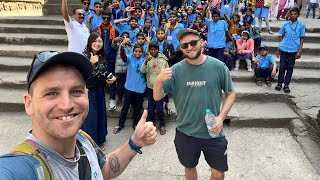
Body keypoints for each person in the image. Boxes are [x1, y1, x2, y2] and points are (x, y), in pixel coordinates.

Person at [0, 51, 157, 179]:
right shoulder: (25, 168)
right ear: (29, 104)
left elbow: (105, 169)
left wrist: (135, 142)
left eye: (76, 91)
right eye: (52, 93)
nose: (67, 105)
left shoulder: (82, 139)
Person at [153, 29, 236, 180]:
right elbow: (157, 96)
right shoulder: (175, 70)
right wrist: (159, 80)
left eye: (193, 43)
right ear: (180, 49)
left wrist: (221, 117)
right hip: (186, 132)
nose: (189, 47)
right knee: (189, 167)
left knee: (218, 174)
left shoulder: (218, 66)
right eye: (185, 45)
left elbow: (231, 93)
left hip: (213, 131)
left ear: (201, 42)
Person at [81, 32, 116, 147]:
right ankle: (91, 144)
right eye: (94, 41)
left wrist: (109, 80)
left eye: (100, 41)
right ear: (90, 42)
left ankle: (99, 140)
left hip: (99, 91)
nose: (97, 44)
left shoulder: (102, 57)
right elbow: (84, 77)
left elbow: (102, 74)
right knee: (91, 118)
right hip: (89, 92)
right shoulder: (84, 56)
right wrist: (92, 64)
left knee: (100, 116)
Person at [113, 43, 147, 134]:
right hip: (129, 87)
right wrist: (123, 46)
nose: (137, 53)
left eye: (140, 52)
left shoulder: (144, 60)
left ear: (142, 52)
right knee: (125, 107)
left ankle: (136, 124)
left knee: (138, 107)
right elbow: (123, 56)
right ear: (133, 51)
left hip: (140, 88)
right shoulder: (130, 58)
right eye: (136, 51)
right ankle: (120, 124)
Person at [141, 42, 169, 135]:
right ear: (149, 50)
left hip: (160, 87)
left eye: (155, 49)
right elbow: (142, 71)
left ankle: (162, 124)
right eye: (151, 49)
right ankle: (150, 124)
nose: (153, 51)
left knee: (160, 107)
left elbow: (167, 72)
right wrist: (145, 62)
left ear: (158, 50)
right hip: (150, 87)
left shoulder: (163, 60)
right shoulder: (147, 59)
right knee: (151, 107)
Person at [275, 7, 305, 93]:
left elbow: (302, 39)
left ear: (298, 15)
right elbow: (281, 37)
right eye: (291, 14)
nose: (293, 16)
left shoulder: (301, 25)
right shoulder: (285, 25)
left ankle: (286, 85)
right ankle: (279, 83)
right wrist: (278, 49)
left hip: (294, 50)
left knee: (290, 68)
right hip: (284, 49)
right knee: (282, 67)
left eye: (295, 14)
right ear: (289, 15)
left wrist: (299, 51)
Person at [96, 10, 118, 111]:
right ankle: (98, 99)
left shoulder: (115, 31)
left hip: (110, 58)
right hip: (99, 58)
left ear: (110, 19)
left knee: (110, 78)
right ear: (101, 18)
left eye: (108, 18)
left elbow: (117, 47)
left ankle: (112, 98)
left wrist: (115, 43)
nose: (105, 20)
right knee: (98, 78)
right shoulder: (97, 30)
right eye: (104, 18)